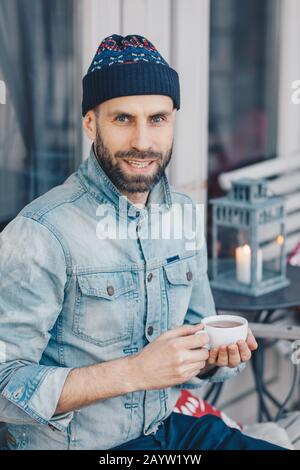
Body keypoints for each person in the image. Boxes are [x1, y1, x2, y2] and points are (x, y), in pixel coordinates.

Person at [0, 34, 285, 450]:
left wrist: (212, 360)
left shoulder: (183, 214)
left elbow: (196, 333)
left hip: (167, 430)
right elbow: (5, 383)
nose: (143, 142)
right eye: (122, 119)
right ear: (90, 123)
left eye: (157, 119)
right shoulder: (42, 232)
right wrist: (136, 371)